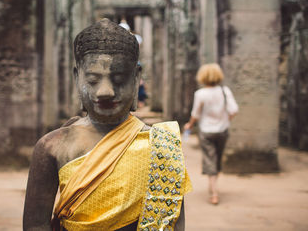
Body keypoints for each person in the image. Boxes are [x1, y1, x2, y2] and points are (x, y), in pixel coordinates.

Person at [23, 19, 192, 231]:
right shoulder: (52, 146)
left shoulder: (162, 145)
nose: (106, 91)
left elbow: (173, 223)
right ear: (77, 78)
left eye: (119, 79)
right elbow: (35, 226)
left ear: (136, 78)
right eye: (93, 80)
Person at [184, 63, 238, 205]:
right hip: (223, 131)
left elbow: (195, 114)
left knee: (209, 159)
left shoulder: (200, 94)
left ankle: (213, 193)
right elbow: (234, 110)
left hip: (206, 131)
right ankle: (213, 187)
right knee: (217, 158)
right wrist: (225, 120)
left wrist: (190, 124)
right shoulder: (225, 91)